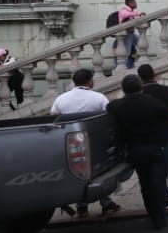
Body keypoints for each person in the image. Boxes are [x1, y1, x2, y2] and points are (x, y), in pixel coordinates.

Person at [106, 75, 168, 230]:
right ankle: (160, 218)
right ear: (141, 87)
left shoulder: (116, 106)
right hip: (156, 147)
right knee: (157, 182)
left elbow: (110, 115)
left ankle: (152, 214)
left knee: (145, 183)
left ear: (123, 89)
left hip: (135, 150)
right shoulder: (152, 102)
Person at [50, 68, 120, 217]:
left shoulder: (61, 99)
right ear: (90, 81)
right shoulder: (99, 97)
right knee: (100, 173)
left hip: (72, 144)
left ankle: (81, 206)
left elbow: (53, 117)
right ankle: (106, 204)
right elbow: (109, 117)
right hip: (96, 142)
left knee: (78, 174)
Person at [138, 63, 168, 203]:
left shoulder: (140, 94)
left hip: (149, 135)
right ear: (154, 74)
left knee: (157, 167)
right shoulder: (166, 90)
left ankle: (164, 198)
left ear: (140, 77)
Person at [118, 0, 144, 68]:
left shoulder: (132, 12)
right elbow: (127, 14)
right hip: (126, 35)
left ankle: (140, 61)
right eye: (134, 2)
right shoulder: (124, 10)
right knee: (127, 52)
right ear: (130, 3)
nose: (136, 4)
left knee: (141, 43)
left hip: (131, 34)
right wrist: (139, 13)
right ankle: (125, 67)